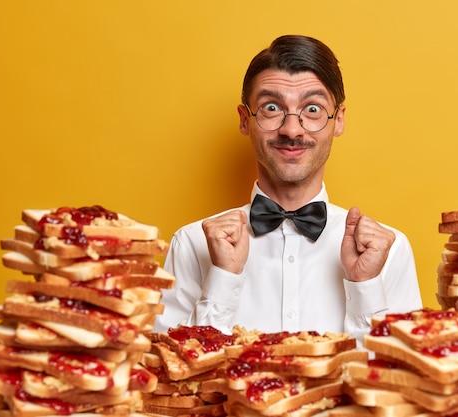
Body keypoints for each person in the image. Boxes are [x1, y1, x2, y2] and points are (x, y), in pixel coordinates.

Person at [155, 34, 422, 342]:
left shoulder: (390, 251)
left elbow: (396, 384)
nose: (292, 130)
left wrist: (364, 287)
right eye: (271, 107)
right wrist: (223, 280)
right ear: (245, 120)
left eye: (312, 109)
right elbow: (171, 381)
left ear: (338, 121)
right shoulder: (191, 245)